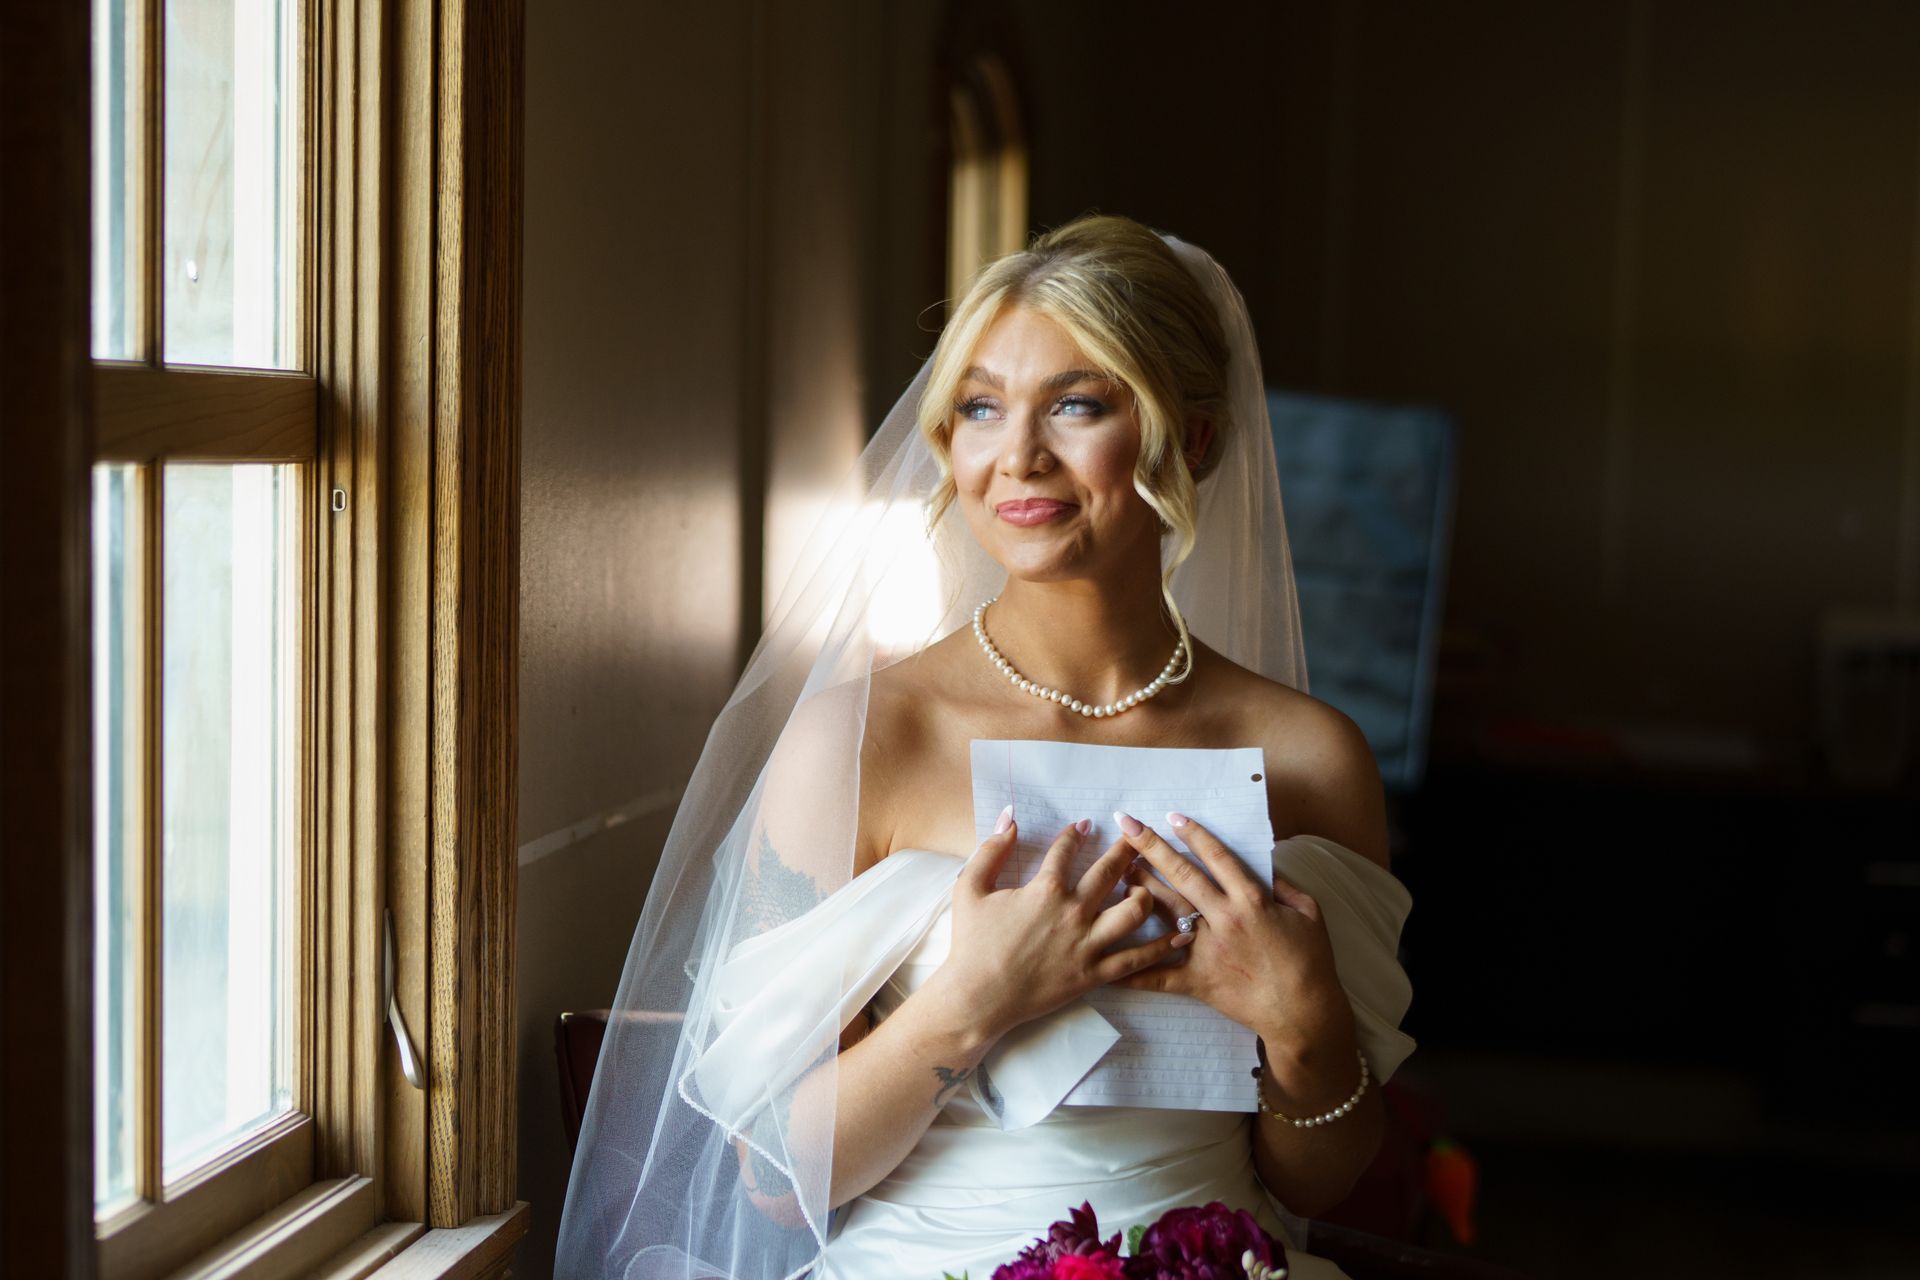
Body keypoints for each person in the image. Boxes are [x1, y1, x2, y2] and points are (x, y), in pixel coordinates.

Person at [553, 214, 1417, 1280]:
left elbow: (1314, 1181)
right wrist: (977, 998)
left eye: (1077, 403)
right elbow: (775, 1182)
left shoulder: (1308, 756)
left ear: (1188, 439)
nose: (1017, 456)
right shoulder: (863, 736)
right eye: (978, 407)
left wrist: (1308, 1028)